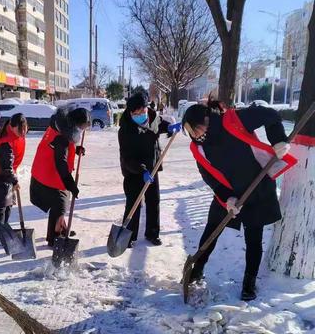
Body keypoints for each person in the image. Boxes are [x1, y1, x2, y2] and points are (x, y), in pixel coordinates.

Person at [182, 102, 296, 301]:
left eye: (196, 128)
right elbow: (208, 175)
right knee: (211, 230)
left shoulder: (233, 120)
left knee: (253, 238)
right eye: (190, 132)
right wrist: (227, 198)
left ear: (207, 119)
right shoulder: (198, 148)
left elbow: (269, 115)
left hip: (256, 188)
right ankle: (197, 269)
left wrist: (278, 140)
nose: (195, 135)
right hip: (228, 193)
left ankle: (249, 284)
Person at [118, 92, 174, 248]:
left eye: (142, 111)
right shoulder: (125, 130)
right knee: (134, 203)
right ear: (130, 113)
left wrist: (169, 127)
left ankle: (152, 233)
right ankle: (129, 236)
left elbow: (159, 124)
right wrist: (141, 170)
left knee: (153, 200)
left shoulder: (152, 116)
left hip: (152, 167)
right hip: (134, 170)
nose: (141, 115)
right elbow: (127, 157)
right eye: (136, 113)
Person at [30, 107, 90, 247]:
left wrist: (75, 150)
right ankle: (55, 238)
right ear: (74, 123)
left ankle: (59, 230)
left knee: (61, 203)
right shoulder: (61, 137)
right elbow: (61, 163)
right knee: (60, 204)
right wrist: (71, 185)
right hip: (47, 176)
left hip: (47, 172)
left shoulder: (62, 125)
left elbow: (65, 147)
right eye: (81, 127)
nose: (82, 130)